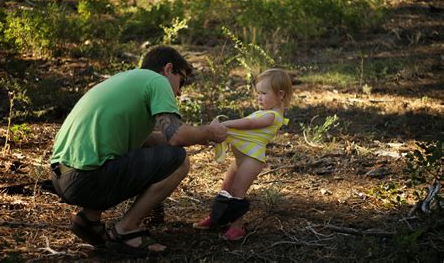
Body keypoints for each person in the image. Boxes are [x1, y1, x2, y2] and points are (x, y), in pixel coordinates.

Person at [50, 45, 227, 256]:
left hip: (61, 176)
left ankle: (89, 220)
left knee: (137, 151)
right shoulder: (157, 81)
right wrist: (209, 132)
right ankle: (126, 230)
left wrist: (198, 136)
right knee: (179, 161)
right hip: (85, 180)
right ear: (168, 69)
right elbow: (177, 135)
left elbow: (151, 140)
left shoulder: (125, 80)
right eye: (183, 81)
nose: (179, 92)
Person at [193, 68, 293, 241]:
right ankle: (217, 218)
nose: (259, 97)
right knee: (226, 189)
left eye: (263, 93)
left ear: (280, 94)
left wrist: (225, 124)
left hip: (251, 160)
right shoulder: (264, 112)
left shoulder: (272, 116)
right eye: (257, 93)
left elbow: (248, 123)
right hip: (240, 159)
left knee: (238, 192)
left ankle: (237, 227)